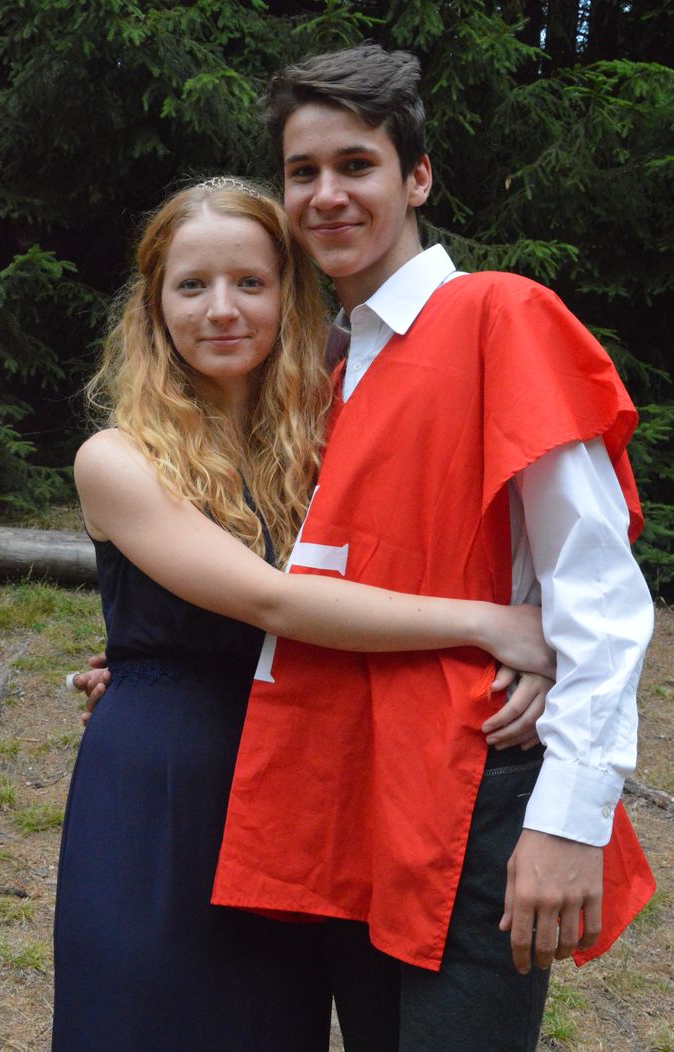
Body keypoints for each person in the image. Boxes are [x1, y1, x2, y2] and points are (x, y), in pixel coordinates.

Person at [208, 46, 656, 1052]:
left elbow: (596, 588)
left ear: (416, 178)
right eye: (302, 171)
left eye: (355, 165)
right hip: (352, 783)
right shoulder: (329, 363)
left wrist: (567, 819)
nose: (326, 194)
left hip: (472, 791)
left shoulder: (499, 314)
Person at [53, 177, 555, 1051]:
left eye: (250, 282)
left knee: (270, 1025)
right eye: (192, 285)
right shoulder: (117, 458)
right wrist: (487, 624)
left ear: (289, 296)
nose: (222, 309)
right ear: (153, 306)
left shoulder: (324, 440)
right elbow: (269, 599)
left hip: (299, 784)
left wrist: (521, 657)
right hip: (161, 785)